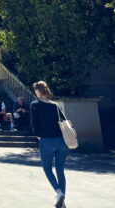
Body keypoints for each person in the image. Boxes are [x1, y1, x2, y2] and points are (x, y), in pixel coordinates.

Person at [31, 80, 69, 208]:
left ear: (39, 90)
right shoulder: (55, 105)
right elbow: (65, 121)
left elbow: (34, 125)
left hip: (46, 141)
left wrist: (38, 135)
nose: (35, 91)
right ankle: (62, 203)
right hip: (62, 142)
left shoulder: (34, 105)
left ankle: (59, 193)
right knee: (60, 171)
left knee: (47, 169)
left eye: (35, 89)